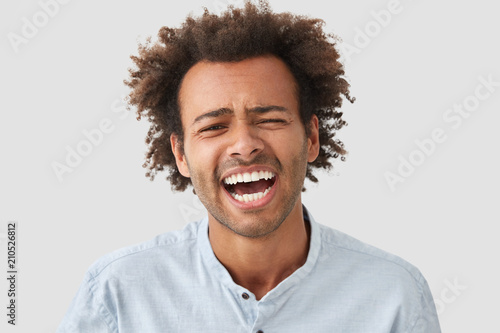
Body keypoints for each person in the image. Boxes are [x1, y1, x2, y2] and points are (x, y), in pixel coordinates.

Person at [57, 1, 441, 332]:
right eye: (213, 127)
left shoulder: (395, 296)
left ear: (311, 138)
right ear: (180, 155)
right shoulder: (116, 295)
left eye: (270, 119)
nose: (244, 144)